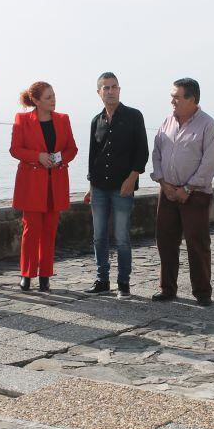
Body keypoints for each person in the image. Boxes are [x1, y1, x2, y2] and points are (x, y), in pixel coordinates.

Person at [150, 78, 214, 306]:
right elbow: (157, 154)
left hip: (196, 195)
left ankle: (202, 292)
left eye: (177, 97)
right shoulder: (167, 122)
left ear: (192, 100)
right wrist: (163, 183)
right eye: (172, 96)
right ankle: (167, 288)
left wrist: (188, 188)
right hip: (168, 193)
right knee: (165, 241)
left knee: (197, 243)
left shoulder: (208, 125)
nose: (172, 101)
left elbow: (210, 162)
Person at [84, 72, 149, 298]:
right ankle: (102, 280)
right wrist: (91, 186)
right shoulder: (96, 120)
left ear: (119, 89)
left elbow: (142, 152)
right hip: (99, 187)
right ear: (99, 92)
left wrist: (131, 180)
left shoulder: (133, 116)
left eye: (114, 87)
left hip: (123, 187)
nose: (110, 91)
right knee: (99, 236)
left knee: (122, 237)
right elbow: (93, 156)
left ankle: (123, 283)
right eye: (106, 88)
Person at [9, 82, 78, 292]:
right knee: (31, 230)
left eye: (54, 95)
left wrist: (58, 159)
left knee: (49, 230)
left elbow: (72, 149)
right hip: (31, 185)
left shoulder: (63, 119)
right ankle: (27, 274)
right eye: (48, 97)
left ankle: (45, 275)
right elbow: (15, 149)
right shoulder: (22, 119)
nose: (53, 100)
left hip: (55, 183)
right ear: (37, 101)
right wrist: (37, 156)